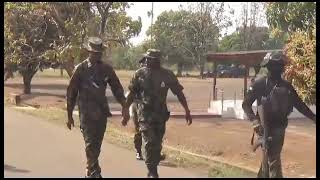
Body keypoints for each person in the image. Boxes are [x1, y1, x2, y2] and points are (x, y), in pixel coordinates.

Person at [242, 51, 316, 178]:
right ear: (268, 67)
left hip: (279, 129)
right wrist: (254, 121)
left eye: (279, 66)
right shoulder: (259, 84)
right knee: (271, 159)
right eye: (273, 66)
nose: (276, 69)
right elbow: (246, 104)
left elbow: (300, 105)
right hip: (262, 128)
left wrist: (314, 117)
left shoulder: (287, 87)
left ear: (281, 67)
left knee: (271, 158)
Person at [122, 49, 192, 178]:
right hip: (144, 115)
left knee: (157, 144)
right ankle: (152, 172)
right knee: (149, 142)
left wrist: (187, 110)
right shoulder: (139, 74)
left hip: (160, 116)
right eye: (147, 58)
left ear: (157, 61)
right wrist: (125, 110)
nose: (147, 61)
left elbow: (179, 92)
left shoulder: (167, 74)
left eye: (150, 59)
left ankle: (153, 166)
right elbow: (131, 94)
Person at [66, 37, 129, 178]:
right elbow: (71, 93)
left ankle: (91, 168)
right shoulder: (80, 69)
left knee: (97, 144)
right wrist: (69, 116)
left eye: (99, 52)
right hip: (86, 114)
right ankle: (93, 172)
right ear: (89, 52)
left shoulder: (106, 69)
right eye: (94, 52)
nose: (97, 55)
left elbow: (117, 88)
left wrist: (125, 107)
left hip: (101, 113)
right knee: (89, 143)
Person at [128, 57, 167, 161]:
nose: (144, 65)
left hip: (150, 109)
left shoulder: (153, 76)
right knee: (139, 130)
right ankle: (138, 152)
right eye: (143, 64)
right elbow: (131, 93)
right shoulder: (138, 76)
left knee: (155, 130)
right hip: (137, 107)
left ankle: (155, 153)